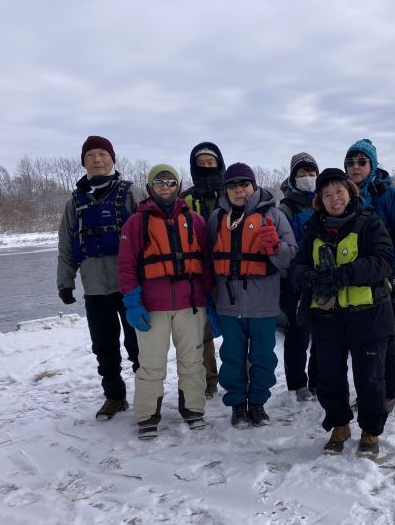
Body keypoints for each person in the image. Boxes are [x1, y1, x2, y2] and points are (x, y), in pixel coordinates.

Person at [289, 168, 394, 458]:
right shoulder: (313, 231)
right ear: (319, 201)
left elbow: (383, 261)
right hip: (328, 319)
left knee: (370, 378)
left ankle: (371, 431)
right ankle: (339, 424)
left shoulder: (370, 223)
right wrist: (311, 278)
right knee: (329, 376)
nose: (334, 198)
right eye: (327, 194)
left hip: (368, 315)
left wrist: (343, 275)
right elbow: (296, 268)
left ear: (350, 192)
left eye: (339, 192)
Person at [117, 164, 214, 439]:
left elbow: (205, 263)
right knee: (151, 363)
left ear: (178, 186)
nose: (165, 187)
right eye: (159, 182)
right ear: (150, 187)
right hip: (152, 307)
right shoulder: (136, 223)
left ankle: (193, 409)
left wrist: (210, 300)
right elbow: (125, 267)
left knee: (192, 361)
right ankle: (147, 415)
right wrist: (133, 303)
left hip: (190, 304)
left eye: (171, 182)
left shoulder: (194, 220)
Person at [57, 135, 143, 421]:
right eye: (91, 155)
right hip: (94, 289)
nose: (97, 159)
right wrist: (65, 282)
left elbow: (150, 239)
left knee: (138, 346)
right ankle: (115, 397)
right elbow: (66, 246)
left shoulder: (131, 194)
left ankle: (146, 394)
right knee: (104, 348)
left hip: (130, 287)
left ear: (112, 159)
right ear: (83, 162)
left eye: (102, 154)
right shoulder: (75, 203)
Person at [207, 163, 296, 428]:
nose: (239, 190)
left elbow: (289, 257)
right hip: (227, 303)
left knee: (263, 357)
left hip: (264, 304)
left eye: (244, 184)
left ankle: (257, 404)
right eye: (233, 186)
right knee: (232, 357)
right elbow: (207, 258)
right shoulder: (216, 218)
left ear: (254, 186)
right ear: (226, 190)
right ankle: (237, 405)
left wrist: (275, 247)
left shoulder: (274, 216)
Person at [344, 139, 395, 413]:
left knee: (387, 336)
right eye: (350, 163)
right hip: (360, 277)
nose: (355, 167)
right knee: (363, 338)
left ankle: (388, 394)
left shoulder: (391, 195)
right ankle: (369, 391)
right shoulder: (347, 195)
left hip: (388, 275)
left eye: (361, 162)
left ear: (372, 164)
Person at [182, 141, 225, 399]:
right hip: (198, 275)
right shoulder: (185, 199)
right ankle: (209, 379)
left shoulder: (231, 193)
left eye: (212, 162)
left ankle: (242, 376)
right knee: (202, 332)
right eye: (202, 163)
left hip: (229, 273)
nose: (207, 167)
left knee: (236, 331)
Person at [277, 152, 320, 402]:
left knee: (322, 333)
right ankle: (297, 383)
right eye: (302, 174)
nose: (308, 178)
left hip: (321, 279)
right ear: (293, 178)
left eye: (311, 173)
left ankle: (317, 379)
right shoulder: (286, 208)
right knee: (298, 333)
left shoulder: (324, 200)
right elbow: (286, 247)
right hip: (294, 281)